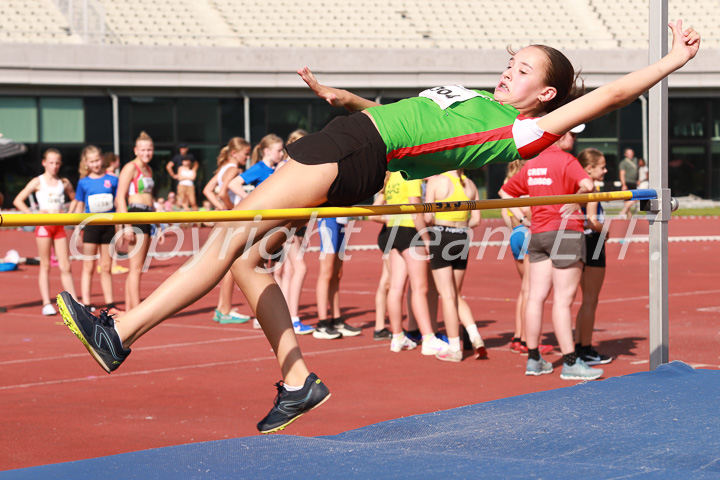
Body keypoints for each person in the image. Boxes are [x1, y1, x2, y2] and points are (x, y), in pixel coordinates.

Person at [57, 22, 700, 433]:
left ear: (546, 98)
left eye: (525, 71)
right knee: (250, 260)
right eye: (515, 61)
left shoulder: (524, 130)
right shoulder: (483, 104)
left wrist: (672, 59)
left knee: (225, 239)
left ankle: (119, 331)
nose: (512, 71)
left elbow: (613, 96)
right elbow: (414, 125)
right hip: (356, 136)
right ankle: (298, 383)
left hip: (355, 153)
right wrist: (351, 101)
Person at [500, 126, 604, 380]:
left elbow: (505, 192)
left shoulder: (532, 164)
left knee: (535, 297)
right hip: (565, 233)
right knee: (562, 301)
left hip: (539, 234)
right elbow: (588, 184)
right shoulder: (567, 160)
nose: (574, 138)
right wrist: (576, 198)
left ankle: (534, 359)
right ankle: (570, 362)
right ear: (559, 136)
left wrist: (523, 216)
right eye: (571, 134)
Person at [382, 171, 449, 355]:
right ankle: (428, 338)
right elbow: (416, 210)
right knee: (420, 288)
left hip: (393, 230)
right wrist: (427, 239)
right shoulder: (410, 175)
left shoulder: (391, 176)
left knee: (396, 287)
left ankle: (397, 337)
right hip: (410, 231)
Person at [424, 169, 486, 362]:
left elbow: (426, 217)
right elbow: (476, 219)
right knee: (456, 294)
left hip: (442, 235)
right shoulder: (470, 185)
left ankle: (454, 348)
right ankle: (474, 335)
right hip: (461, 237)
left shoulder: (436, 181)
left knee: (448, 296)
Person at [14, 148, 77, 315]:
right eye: (51, 162)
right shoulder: (38, 181)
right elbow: (18, 200)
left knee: (65, 265)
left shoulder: (63, 182)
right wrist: (33, 216)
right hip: (43, 226)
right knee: (46, 264)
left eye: (57, 163)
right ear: (44, 163)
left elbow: (75, 198)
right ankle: (46, 303)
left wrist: (69, 214)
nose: (54, 166)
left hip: (59, 225)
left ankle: (75, 302)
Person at [202, 137, 253, 324]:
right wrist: (231, 209)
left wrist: (221, 208)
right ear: (234, 153)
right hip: (234, 220)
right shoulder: (233, 169)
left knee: (229, 264)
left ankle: (223, 308)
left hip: (228, 218)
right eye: (245, 154)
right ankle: (225, 309)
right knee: (232, 265)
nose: (247, 158)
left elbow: (208, 190)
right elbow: (223, 192)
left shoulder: (222, 168)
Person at [69, 145, 120, 314]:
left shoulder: (112, 179)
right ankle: (86, 301)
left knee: (106, 266)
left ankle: (110, 303)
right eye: (92, 161)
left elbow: (119, 203)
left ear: (102, 159)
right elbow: (80, 206)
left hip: (108, 227)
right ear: (86, 163)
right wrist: (77, 230)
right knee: (88, 266)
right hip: (91, 227)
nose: (96, 164)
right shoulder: (83, 183)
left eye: (98, 160)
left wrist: (121, 226)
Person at [575, 148, 613, 366]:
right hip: (592, 240)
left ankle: (580, 345)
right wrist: (606, 230)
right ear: (589, 168)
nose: (606, 170)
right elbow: (590, 219)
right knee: (590, 299)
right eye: (602, 166)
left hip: (579, 241)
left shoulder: (576, 187)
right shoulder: (589, 188)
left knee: (585, 299)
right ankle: (585, 349)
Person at [274, 130, 315, 335]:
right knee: (300, 268)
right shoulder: (285, 166)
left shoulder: (305, 166)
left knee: (289, 269)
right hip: (285, 224)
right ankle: (293, 319)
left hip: (299, 224)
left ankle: (285, 317)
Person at [115, 131, 159, 311]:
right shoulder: (130, 168)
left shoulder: (149, 169)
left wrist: (158, 223)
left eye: (149, 150)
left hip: (148, 215)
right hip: (135, 215)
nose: (146, 153)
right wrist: (126, 226)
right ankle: (135, 311)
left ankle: (129, 309)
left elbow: (149, 196)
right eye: (143, 150)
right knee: (135, 268)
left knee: (137, 267)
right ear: (136, 150)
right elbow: (119, 197)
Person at [102, 152, 128, 275]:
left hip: (101, 214)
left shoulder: (101, 176)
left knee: (103, 243)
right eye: (117, 160)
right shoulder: (114, 179)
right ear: (113, 162)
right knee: (115, 240)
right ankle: (114, 264)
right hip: (114, 212)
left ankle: (102, 264)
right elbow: (118, 197)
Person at [618, 148, 639, 218]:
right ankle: (625, 213)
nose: (630, 155)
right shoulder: (623, 163)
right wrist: (623, 184)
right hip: (627, 183)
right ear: (625, 154)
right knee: (630, 200)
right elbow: (622, 174)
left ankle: (627, 214)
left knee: (633, 200)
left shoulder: (635, 160)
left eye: (631, 153)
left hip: (634, 182)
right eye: (629, 153)